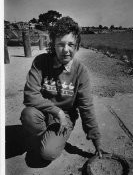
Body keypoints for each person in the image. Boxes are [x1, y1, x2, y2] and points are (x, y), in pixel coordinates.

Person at [20, 16, 102, 162]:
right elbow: (29, 95)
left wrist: (96, 141)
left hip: (66, 116)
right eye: (60, 44)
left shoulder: (80, 72)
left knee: (47, 154)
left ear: (77, 45)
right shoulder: (41, 62)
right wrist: (56, 111)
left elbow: (86, 107)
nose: (66, 50)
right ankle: (45, 135)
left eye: (70, 44)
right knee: (28, 115)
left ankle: (53, 138)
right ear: (53, 44)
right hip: (43, 112)